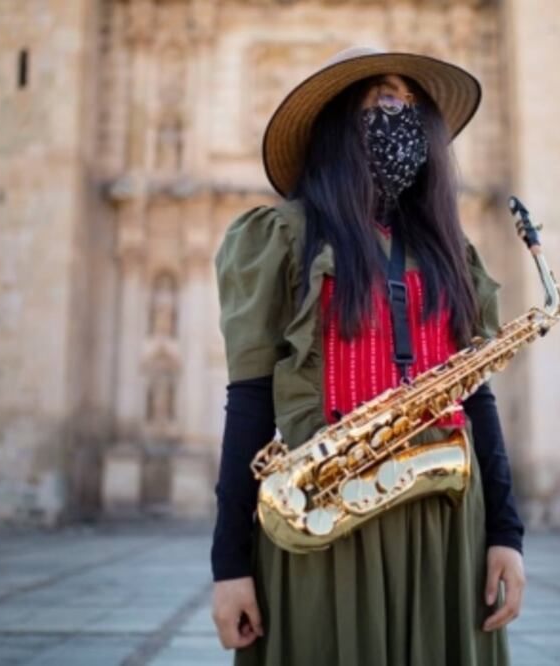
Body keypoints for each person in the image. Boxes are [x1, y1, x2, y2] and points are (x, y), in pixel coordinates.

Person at [209, 45, 526, 666]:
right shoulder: (282, 237)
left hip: (448, 530)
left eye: (410, 101)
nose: (399, 110)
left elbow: (478, 398)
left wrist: (506, 535)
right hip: (328, 525)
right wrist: (229, 566)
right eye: (380, 95)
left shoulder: (448, 251)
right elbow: (248, 402)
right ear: (336, 123)